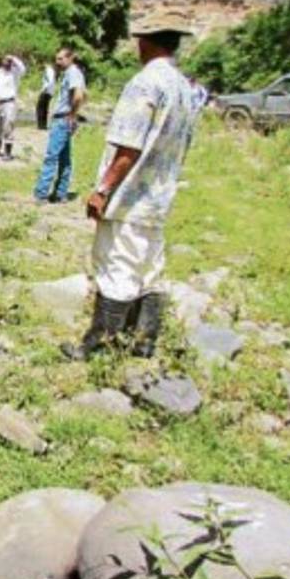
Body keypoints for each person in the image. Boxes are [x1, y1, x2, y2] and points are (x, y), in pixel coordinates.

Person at [63, 24, 197, 360]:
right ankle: (143, 339)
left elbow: (129, 147)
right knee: (150, 268)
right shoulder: (184, 87)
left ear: (146, 43)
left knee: (117, 265)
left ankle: (98, 346)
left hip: (130, 195)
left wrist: (103, 189)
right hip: (159, 194)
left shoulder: (145, 83)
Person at [32, 48, 86, 203]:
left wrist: (72, 114)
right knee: (64, 159)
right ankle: (60, 193)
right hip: (64, 118)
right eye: (57, 59)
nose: (58, 62)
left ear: (70, 58)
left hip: (63, 119)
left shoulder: (73, 73)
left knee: (51, 156)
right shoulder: (71, 73)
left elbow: (78, 95)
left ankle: (41, 193)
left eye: (61, 59)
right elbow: (83, 95)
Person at [0, 54, 26, 160]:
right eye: (5, 60)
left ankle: (7, 152)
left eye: (8, 61)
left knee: (8, 125)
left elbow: (22, 68)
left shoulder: (15, 73)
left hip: (9, 102)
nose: (6, 62)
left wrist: (13, 58)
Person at [36, 61, 56, 130]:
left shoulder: (49, 70)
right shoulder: (50, 70)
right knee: (44, 108)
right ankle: (43, 125)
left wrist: (44, 89)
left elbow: (50, 81)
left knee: (40, 108)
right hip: (49, 91)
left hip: (46, 91)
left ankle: (41, 125)